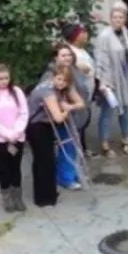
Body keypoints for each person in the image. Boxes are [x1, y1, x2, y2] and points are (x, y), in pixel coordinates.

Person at [25, 67, 85, 207]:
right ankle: (42, 197)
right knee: (42, 161)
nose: (61, 83)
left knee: (48, 160)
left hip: (46, 125)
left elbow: (81, 103)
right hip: (36, 126)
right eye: (59, 79)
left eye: (65, 81)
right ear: (53, 77)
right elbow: (58, 117)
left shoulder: (59, 88)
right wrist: (66, 109)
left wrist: (69, 107)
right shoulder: (47, 91)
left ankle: (49, 193)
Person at [0, 64, 29, 213]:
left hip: (17, 137)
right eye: (0, 78)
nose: (4, 81)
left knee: (16, 167)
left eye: (6, 78)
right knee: (3, 168)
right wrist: (6, 134)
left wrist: (16, 131)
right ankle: (6, 197)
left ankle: (17, 197)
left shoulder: (16, 91)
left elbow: (23, 112)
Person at [94, 2, 128, 156]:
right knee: (108, 111)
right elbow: (100, 59)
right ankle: (104, 144)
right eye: (115, 17)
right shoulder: (104, 36)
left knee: (125, 110)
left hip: (124, 78)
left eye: (121, 17)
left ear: (125, 19)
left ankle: (126, 140)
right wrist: (103, 82)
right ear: (110, 18)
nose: (118, 20)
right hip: (110, 80)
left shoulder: (125, 32)